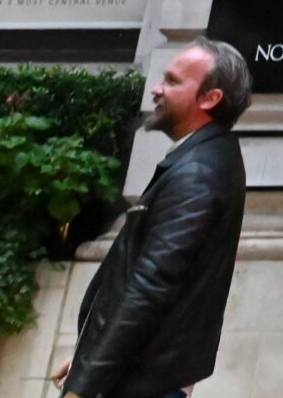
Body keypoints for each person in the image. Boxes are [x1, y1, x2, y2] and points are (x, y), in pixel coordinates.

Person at [51, 39, 251, 398]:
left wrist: (84, 384)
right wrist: (88, 359)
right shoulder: (204, 157)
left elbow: (150, 286)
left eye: (173, 82)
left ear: (210, 98)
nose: (156, 89)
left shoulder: (198, 172)